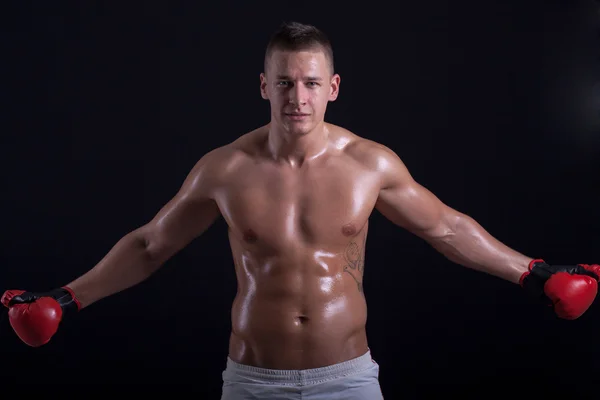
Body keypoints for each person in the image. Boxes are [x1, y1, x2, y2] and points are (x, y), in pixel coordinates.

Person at [2, 21, 599, 399]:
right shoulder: (225, 169)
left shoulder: (370, 164)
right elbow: (150, 244)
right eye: (284, 83)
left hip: (348, 379)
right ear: (264, 86)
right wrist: (67, 296)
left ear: (333, 87)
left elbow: (445, 226)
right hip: (251, 380)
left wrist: (533, 272)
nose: (298, 97)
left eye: (310, 83)